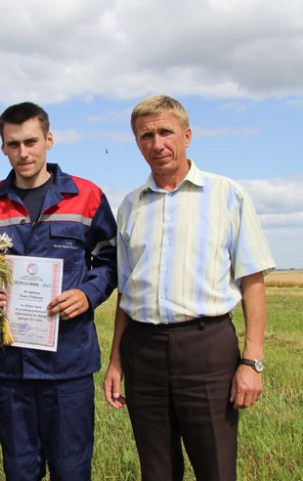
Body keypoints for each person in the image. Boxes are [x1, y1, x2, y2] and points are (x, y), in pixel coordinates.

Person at [103, 95, 276, 481]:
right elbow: (126, 294)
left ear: (187, 135)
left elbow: (253, 281)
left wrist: (252, 361)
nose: (157, 144)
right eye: (146, 135)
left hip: (207, 348)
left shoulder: (227, 195)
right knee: (157, 470)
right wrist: (116, 361)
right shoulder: (131, 205)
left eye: (166, 132)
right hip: (142, 350)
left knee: (215, 467)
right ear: (136, 142)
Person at [0, 102, 117, 481]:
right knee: (20, 469)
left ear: (49, 140)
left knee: (72, 469)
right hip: (11, 364)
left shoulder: (87, 196)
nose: (23, 152)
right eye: (13, 143)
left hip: (67, 362)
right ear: (2, 147)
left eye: (31, 141)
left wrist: (87, 294)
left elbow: (109, 262)